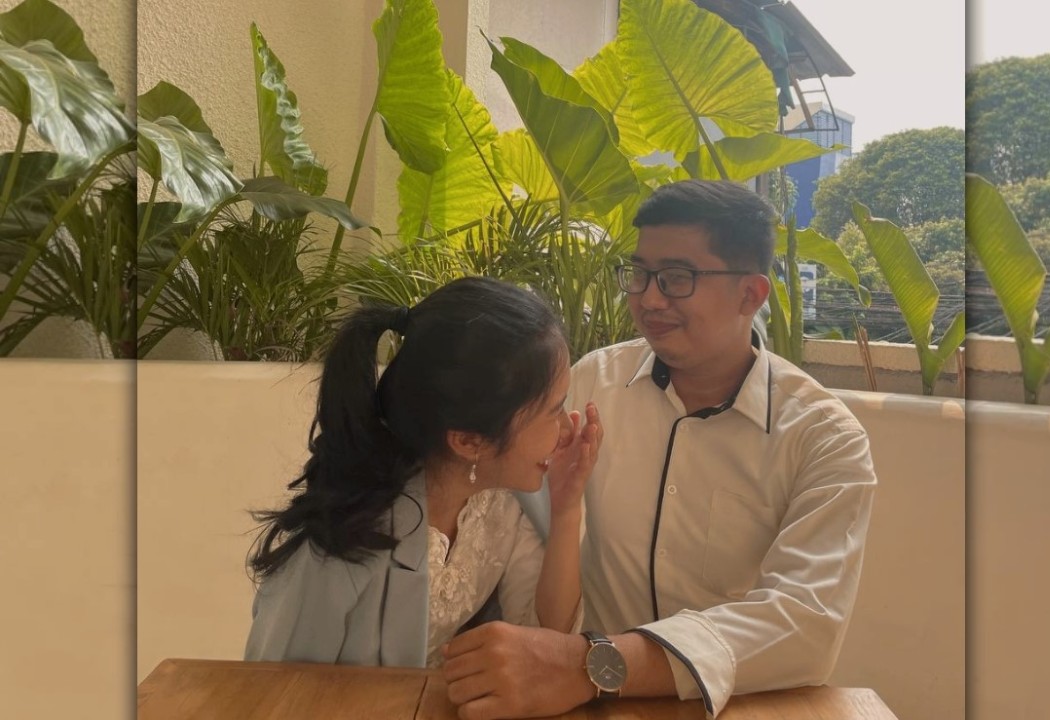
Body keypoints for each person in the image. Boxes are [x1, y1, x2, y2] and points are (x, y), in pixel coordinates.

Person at [441, 180, 877, 719]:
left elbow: (805, 622)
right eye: (640, 274)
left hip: (734, 708)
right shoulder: (591, 385)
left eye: (676, 278)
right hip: (584, 705)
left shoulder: (823, 438)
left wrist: (595, 663)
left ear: (750, 295)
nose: (649, 298)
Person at [244, 276, 601, 668]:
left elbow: (547, 640)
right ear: (468, 442)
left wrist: (567, 508)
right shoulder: (342, 544)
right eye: (553, 410)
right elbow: (274, 690)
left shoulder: (507, 500)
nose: (567, 428)